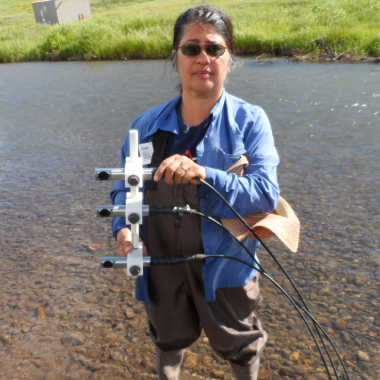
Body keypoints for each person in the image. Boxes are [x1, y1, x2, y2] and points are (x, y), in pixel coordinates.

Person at [110, 5, 280, 380]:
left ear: (229, 58)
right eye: (191, 48)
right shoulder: (145, 126)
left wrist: (205, 174)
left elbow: (266, 194)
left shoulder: (251, 122)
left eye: (214, 48)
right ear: (176, 58)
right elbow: (124, 189)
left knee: (240, 347)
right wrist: (123, 230)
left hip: (226, 266)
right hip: (160, 268)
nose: (203, 57)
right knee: (167, 342)